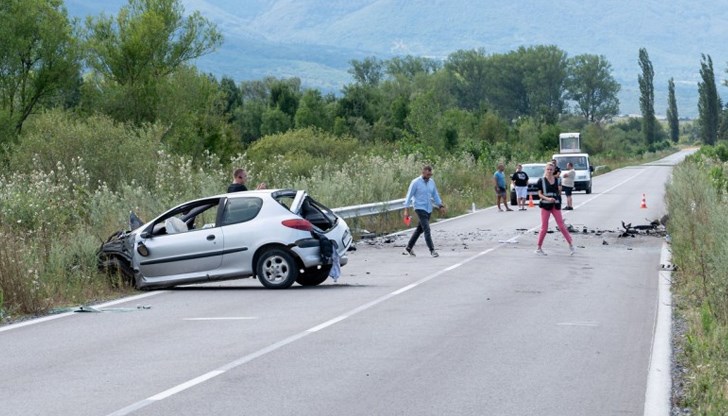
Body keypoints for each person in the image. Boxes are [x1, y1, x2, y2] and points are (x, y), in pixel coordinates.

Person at [403, 165, 446, 258]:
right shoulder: (415, 182)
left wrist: (440, 205)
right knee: (427, 229)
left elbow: (435, 194)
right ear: (423, 172)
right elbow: (409, 196)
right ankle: (432, 250)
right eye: (428, 174)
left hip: (428, 208)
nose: (429, 176)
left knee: (420, 229)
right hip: (419, 207)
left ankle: (409, 247)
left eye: (430, 174)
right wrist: (406, 209)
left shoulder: (431, 182)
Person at [535, 162, 575, 256]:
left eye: (551, 169)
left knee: (561, 225)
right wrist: (548, 198)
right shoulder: (541, 180)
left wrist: (557, 198)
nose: (549, 171)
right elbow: (539, 194)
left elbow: (559, 191)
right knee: (544, 227)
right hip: (545, 205)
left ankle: (571, 245)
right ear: (545, 170)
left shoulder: (557, 180)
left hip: (555, 205)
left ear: (553, 170)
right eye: (548, 169)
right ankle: (539, 248)